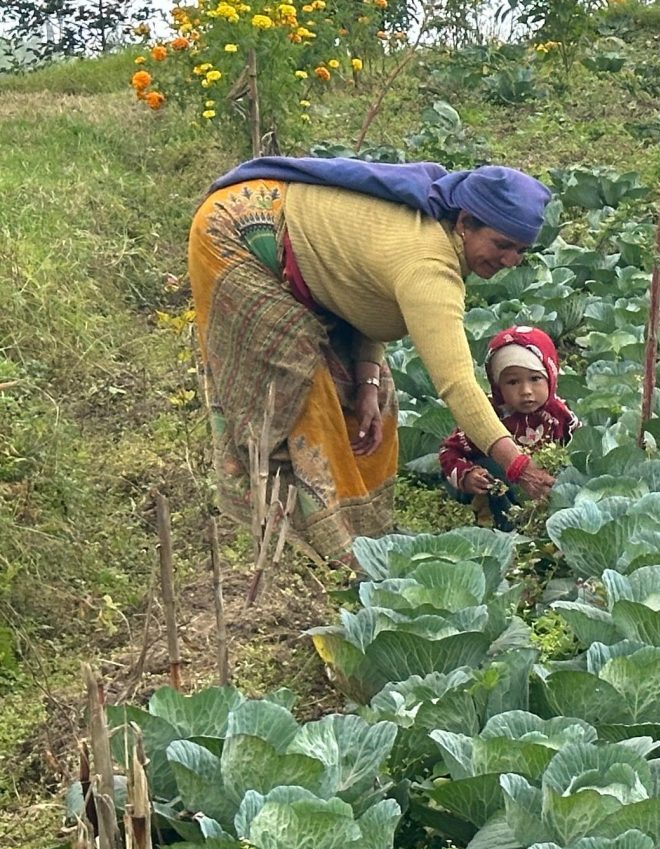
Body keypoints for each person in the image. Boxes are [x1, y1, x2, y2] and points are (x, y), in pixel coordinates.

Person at [188, 154, 559, 560]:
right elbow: (457, 385)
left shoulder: (444, 240)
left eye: (520, 250)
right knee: (298, 384)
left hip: (307, 257)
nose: (510, 261)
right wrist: (518, 467)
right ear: (465, 223)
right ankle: (307, 538)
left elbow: (364, 291)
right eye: (501, 244)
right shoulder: (428, 265)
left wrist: (366, 381)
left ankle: (368, 532)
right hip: (238, 231)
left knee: (376, 397)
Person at [439, 326, 579, 521]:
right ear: (497, 385)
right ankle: (501, 524)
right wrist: (467, 475)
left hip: (538, 488)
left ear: (551, 376)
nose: (526, 390)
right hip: (497, 489)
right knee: (494, 474)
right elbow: (449, 452)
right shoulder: (487, 415)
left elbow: (578, 447)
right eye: (513, 382)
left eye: (535, 378)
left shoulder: (559, 414)